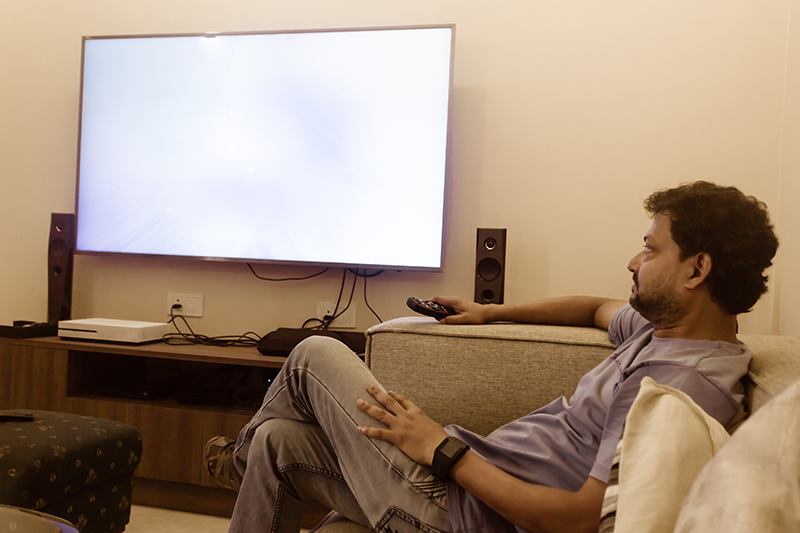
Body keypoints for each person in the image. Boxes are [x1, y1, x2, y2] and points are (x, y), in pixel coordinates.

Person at [205, 181, 778, 533]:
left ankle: (234, 459)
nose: (634, 259)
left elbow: (582, 520)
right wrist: (491, 312)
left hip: (453, 510)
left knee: (314, 351)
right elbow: (596, 307)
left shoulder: (676, 387)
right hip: (454, 486)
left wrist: (443, 451)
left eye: (652, 248)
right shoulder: (665, 333)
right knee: (281, 444)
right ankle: (251, 450)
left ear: (696, 270)